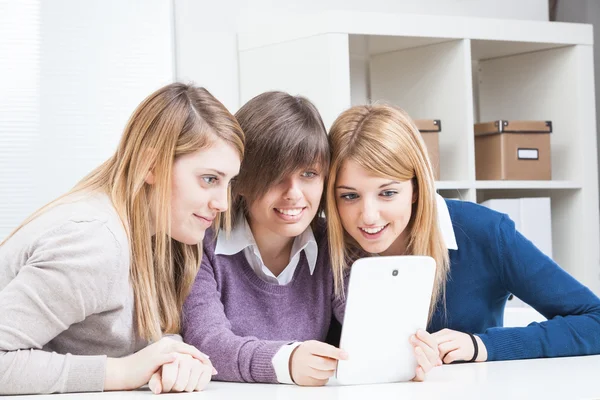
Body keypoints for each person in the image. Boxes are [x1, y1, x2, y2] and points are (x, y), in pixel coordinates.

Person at [182, 92, 441, 386]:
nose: (293, 193)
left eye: (308, 174)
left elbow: (372, 330)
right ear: (241, 180)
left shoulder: (333, 244)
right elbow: (207, 342)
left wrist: (408, 354)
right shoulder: (202, 243)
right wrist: (286, 361)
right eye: (275, 175)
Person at [0, 83, 244, 395]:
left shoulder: (163, 234)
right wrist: (123, 372)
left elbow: (137, 336)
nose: (223, 203)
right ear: (150, 166)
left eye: (228, 182)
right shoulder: (95, 242)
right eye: (209, 179)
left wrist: (173, 355)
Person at [325, 103, 600, 364]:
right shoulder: (320, 246)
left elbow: (595, 320)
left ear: (416, 189)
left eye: (388, 193)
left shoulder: (484, 231)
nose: (369, 215)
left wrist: (483, 346)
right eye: (349, 196)